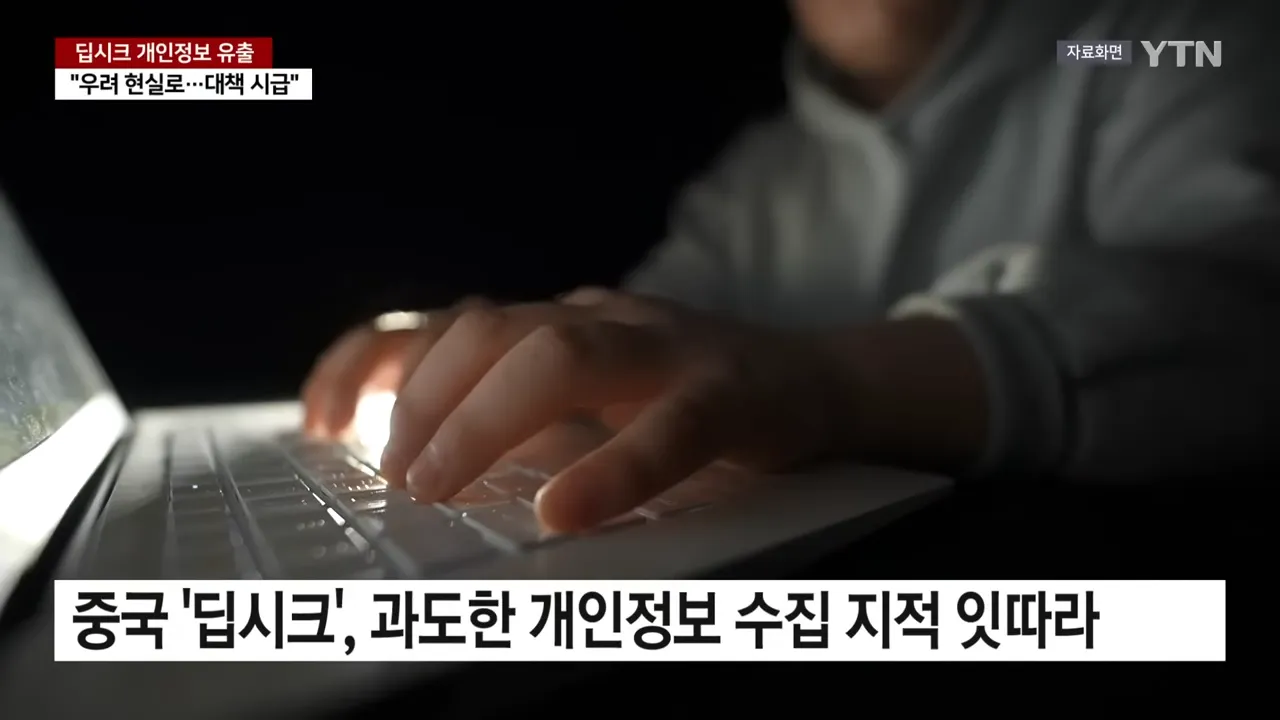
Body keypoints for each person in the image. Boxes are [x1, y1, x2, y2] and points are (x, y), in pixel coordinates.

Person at [302, 0, 1280, 533]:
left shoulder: (1183, 41)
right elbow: (643, 345)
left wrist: (834, 382)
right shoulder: (755, 177)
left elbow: (1246, 317)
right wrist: (508, 364)